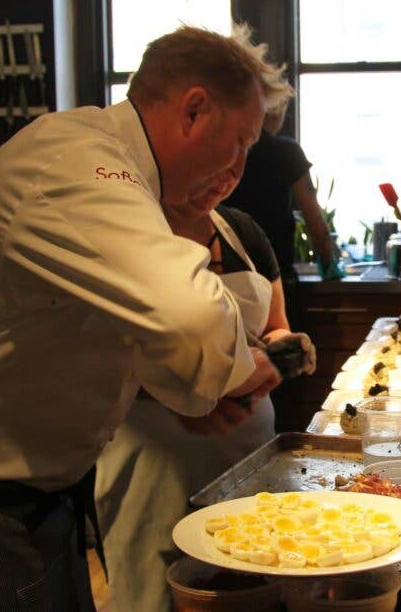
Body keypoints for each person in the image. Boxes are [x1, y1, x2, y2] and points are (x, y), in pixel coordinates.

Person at [0, 25, 293, 610]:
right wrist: (236, 372)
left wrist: (196, 392)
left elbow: (122, 339)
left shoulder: (113, 170)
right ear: (193, 110)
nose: (240, 167)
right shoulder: (80, 161)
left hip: (22, 503)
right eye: (240, 141)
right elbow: (190, 319)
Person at [95, 189, 316, 609]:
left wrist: (280, 356)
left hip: (247, 451)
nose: (232, 166)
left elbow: (275, 326)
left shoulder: (243, 232)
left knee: (250, 577)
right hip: (152, 457)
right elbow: (101, 353)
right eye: (225, 143)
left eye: (243, 147)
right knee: (151, 588)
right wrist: (187, 394)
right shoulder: (126, 232)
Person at [224, 100, 341, 281]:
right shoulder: (287, 152)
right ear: (276, 112)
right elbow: (315, 221)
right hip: (276, 274)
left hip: (230, 274)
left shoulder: (227, 147)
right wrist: (329, 266)